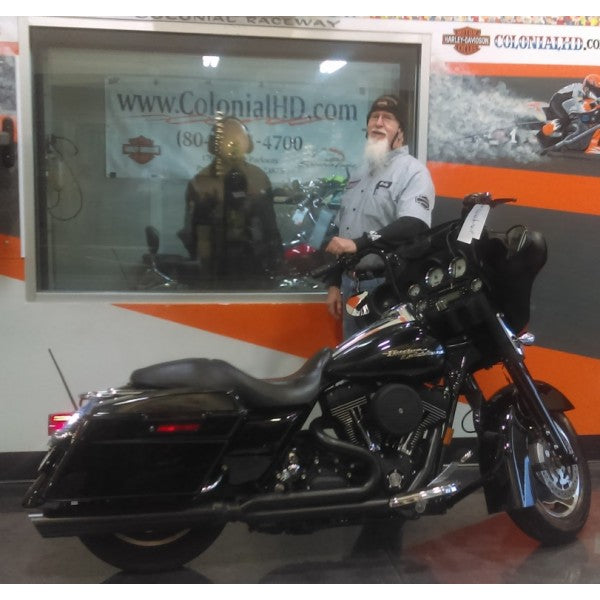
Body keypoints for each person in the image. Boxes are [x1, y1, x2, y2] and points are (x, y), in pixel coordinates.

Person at [323, 94, 435, 339]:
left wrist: (360, 243)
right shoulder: (359, 173)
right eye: (374, 117)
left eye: (388, 118)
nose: (378, 123)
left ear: (401, 131)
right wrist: (334, 283)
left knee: (386, 353)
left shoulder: (413, 171)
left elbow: (414, 224)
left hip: (386, 287)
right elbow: (342, 230)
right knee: (355, 350)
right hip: (353, 287)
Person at [179, 115, 283, 289]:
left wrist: (276, 263)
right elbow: (194, 235)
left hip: (255, 269)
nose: (233, 145)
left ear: (248, 143)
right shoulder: (202, 183)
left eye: (238, 139)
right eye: (227, 140)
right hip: (215, 272)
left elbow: (271, 229)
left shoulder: (259, 179)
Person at [539, 74, 600, 153]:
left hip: (570, 104)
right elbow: (580, 107)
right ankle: (547, 136)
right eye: (597, 91)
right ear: (587, 88)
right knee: (565, 119)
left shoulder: (588, 94)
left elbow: (593, 104)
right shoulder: (579, 91)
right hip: (558, 103)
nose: (598, 93)